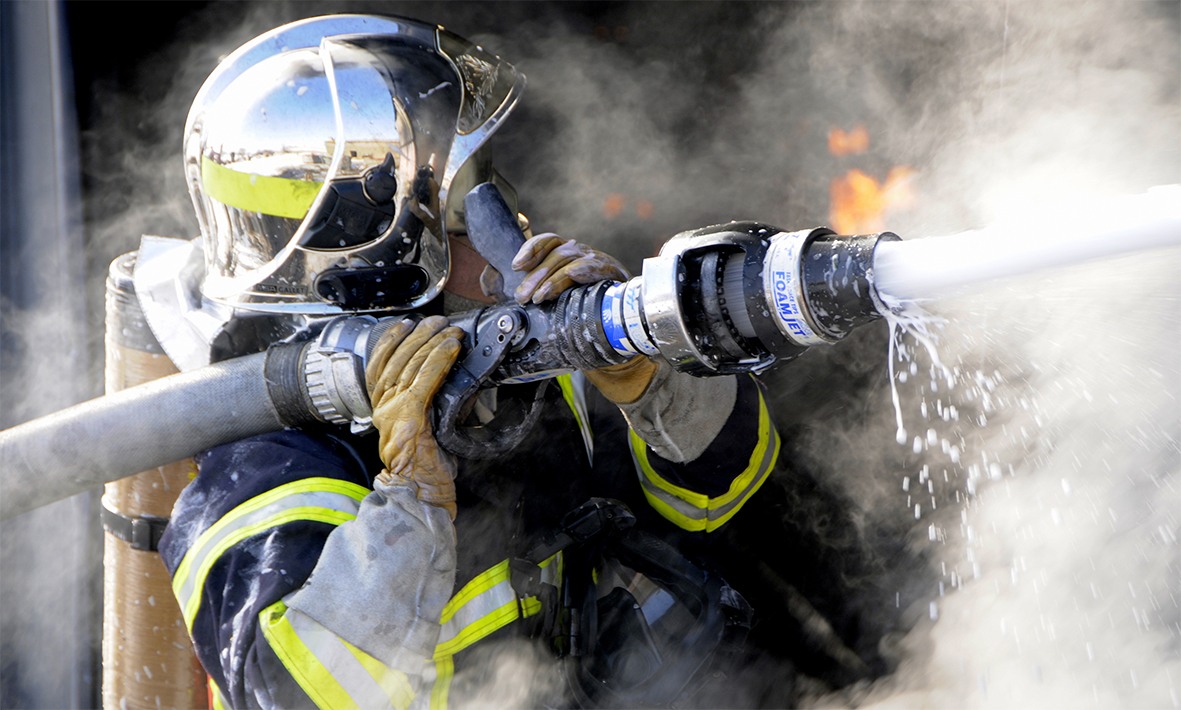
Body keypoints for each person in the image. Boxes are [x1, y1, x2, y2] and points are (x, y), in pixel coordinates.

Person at [150, 15, 856, 710]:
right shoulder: (261, 473)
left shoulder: (504, 361)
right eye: (463, 207)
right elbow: (298, 699)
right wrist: (410, 499)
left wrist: (646, 380)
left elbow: (722, 495)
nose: (512, 225)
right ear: (382, 260)